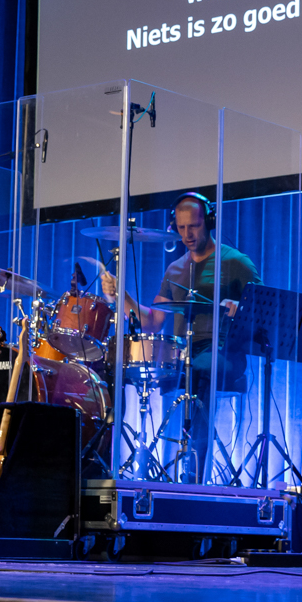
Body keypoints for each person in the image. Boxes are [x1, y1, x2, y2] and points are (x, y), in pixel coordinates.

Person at [108, 192, 258, 483]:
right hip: (184, 354)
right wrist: (120, 296)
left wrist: (240, 308)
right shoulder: (175, 268)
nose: (187, 234)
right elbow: (152, 321)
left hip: (222, 352)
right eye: (181, 227)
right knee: (123, 367)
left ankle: (195, 477)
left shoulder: (235, 262)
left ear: (209, 222)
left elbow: (266, 309)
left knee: (197, 371)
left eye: (195, 226)